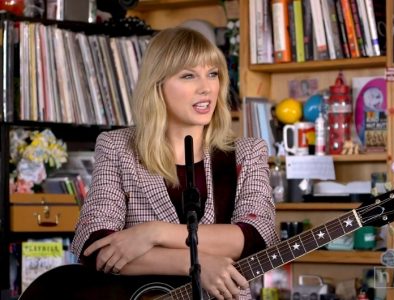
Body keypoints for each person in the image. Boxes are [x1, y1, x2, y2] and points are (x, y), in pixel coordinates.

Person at [71, 27, 278, 299]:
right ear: (158, 85)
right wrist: (195, 264)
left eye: (212, 74)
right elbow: (95, 247)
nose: (206, 88)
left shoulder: (247, 152)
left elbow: (255, 237)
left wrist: (153, 233)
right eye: (188, 75)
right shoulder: (118, 146)